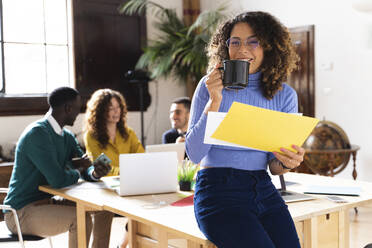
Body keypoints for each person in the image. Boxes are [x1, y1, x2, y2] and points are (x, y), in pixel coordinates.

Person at [185, 11, 305, 248]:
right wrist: (215, 102)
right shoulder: (208, 86)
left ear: (269, 47)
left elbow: (274, 166)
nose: (242, 49)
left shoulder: (285, 95)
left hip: (263, 187)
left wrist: (287, 162)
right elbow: (194, 154)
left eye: (253, 41)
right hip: (217, 191)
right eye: (235, 42)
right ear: (225, 46)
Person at [3, 87, 111, 248]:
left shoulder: (66, 136)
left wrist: (94, 172)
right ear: (67, 108)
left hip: (48, 203)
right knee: (79, 219)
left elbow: (84, 164)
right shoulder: (37, 134)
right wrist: (79, 169)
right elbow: (58, 180)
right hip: (21, 212)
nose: (78, 113)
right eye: (77, 108)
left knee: (105, 209)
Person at [84, 88, 144, 248]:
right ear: (100, 110)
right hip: (105, 186)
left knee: (146, 209)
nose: (115, 111)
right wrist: (127, 169)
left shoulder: (128, 133)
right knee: (103, 222)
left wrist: (131, 170)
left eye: (118, 107)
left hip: (129, 183)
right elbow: (101, 166)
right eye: (111, 108)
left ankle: (125, 244)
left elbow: (141, 157)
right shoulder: (91, 136)